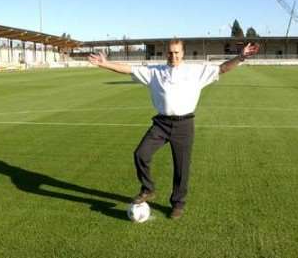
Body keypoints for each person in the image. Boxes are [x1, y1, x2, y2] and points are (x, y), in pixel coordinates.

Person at [88, 39, 259, 219]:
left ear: (183, 53)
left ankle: (178, 204)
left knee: (181, 168)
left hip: (184, 125)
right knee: (141, 154)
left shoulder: (195, 71)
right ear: (166, 53)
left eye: (177, 52)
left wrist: (240, 57)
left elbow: (222, 68)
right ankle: (148, 189)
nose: (173, 56)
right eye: (170, 52)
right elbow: (128, 69)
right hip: (161, 124)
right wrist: (105, 64)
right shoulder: (155, 72)